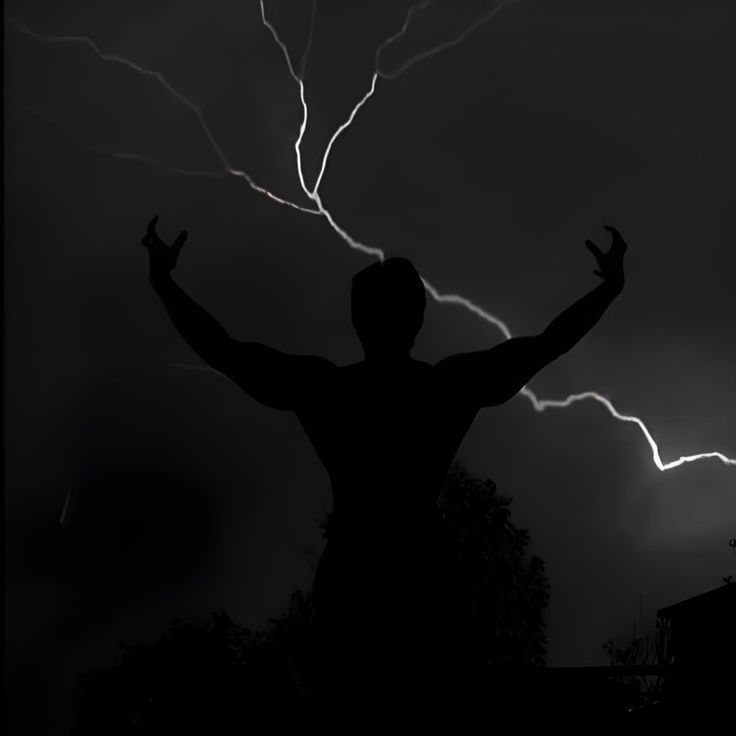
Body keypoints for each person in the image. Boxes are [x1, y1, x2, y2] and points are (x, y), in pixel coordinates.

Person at [142, 216, 626, 720]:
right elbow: (546, 344)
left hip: (355, 580)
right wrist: (610, 287)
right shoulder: (445, 388)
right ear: (418, 316)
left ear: (358, 318)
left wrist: (164, 283)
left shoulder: (328, 390)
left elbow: (227, 353)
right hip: (423, 579)